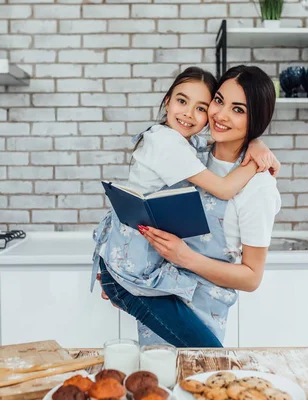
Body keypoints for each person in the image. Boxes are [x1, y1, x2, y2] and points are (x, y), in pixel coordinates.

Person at [93, 65, 281, 347]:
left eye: (238, 109)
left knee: (208, 377)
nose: (221, 115)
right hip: (156, 287)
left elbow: (252, 278)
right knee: (159, 385)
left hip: (203, 307)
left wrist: (184, 258)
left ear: (256, 119)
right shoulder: (194, 153)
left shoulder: (258, 187)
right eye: (219, 101)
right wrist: (122, 274)